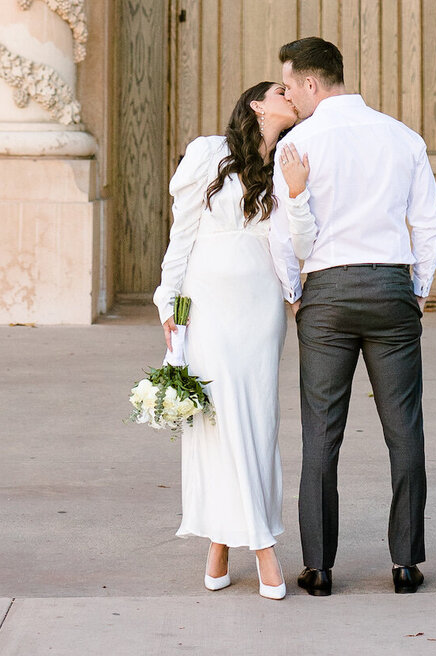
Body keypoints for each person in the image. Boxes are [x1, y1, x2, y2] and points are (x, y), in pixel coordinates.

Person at [270, 36, 436, 599]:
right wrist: (416, 288)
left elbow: (283, 236)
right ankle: (406, 564)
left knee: (320, 432)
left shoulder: (298, 143)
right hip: (391, 285)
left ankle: (319, 568)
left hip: (327, 291)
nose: (288, 95)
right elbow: (428, 223)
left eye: (291, 85)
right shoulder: (402, 137)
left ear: (313, 84)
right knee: (405, 428)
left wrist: (296, 293)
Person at [154, 79, 305, 600]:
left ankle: (220, 542)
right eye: (281, 90)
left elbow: (292, 243)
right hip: (208, 303)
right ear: (257, 104)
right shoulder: (207, 154)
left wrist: (294, 290)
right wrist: (168, 304)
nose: (291, 96)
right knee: (219, 418)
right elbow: (182, 234)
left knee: (257, 418)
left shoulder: (290, 160)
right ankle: (260, 544)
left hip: (261, 309)